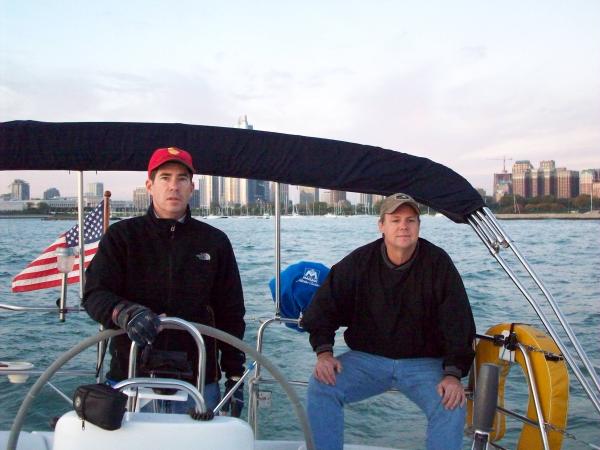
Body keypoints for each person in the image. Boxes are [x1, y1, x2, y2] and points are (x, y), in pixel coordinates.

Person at [302, 193, 475, 450]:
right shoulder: (359, 262)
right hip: (367, 360)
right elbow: (323, 307)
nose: (403, 226)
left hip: (423, 364)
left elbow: (458, 322)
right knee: (321, 388)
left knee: (451, 402)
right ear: (381, 225)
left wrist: (453, 374)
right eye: (395, 220)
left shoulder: (438, 264)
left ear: (419, 225)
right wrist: (324, 352)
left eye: (410, 220)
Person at [83, 147, 246, 416]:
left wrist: (234, 375)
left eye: (182, 179)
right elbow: (94, 294)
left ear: (192, 187)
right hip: (131, 376)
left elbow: (231, 311)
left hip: (199, 378)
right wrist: (125, 313)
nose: (174, 186)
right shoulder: (122, 236)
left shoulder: (215, 241)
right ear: (149, 185)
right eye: (165, 177)